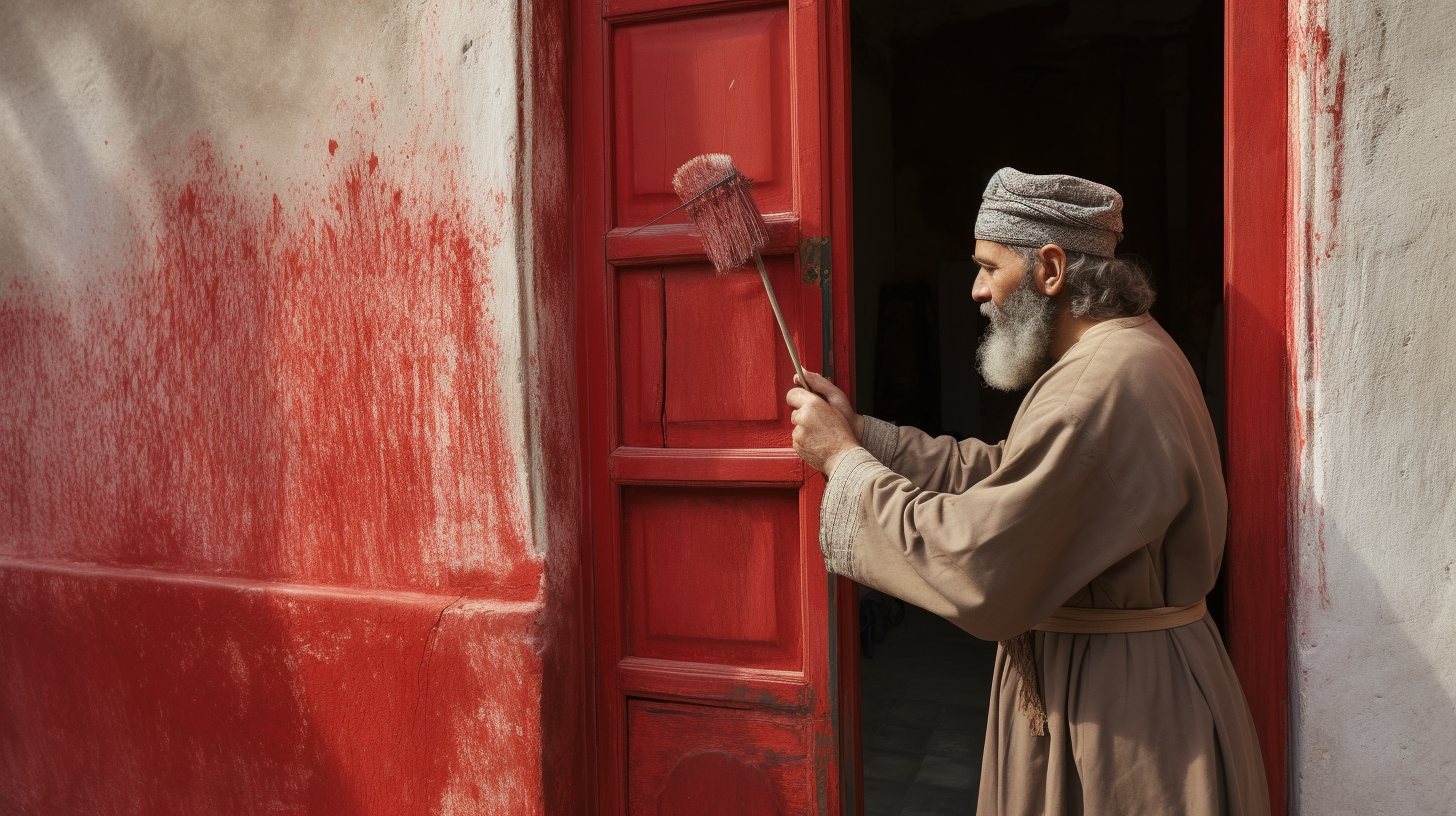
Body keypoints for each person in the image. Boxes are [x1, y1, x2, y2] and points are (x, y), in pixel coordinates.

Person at [786, 168, 1270, 815]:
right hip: (1124, 690)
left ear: (1049, 269)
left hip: (1122, 721)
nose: (977, 289)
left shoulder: (1094, 385)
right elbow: (1010, 475)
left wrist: (841, 462)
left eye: (989, 266)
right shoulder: (1121, 352)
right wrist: (864, 436)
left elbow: (978, 562)